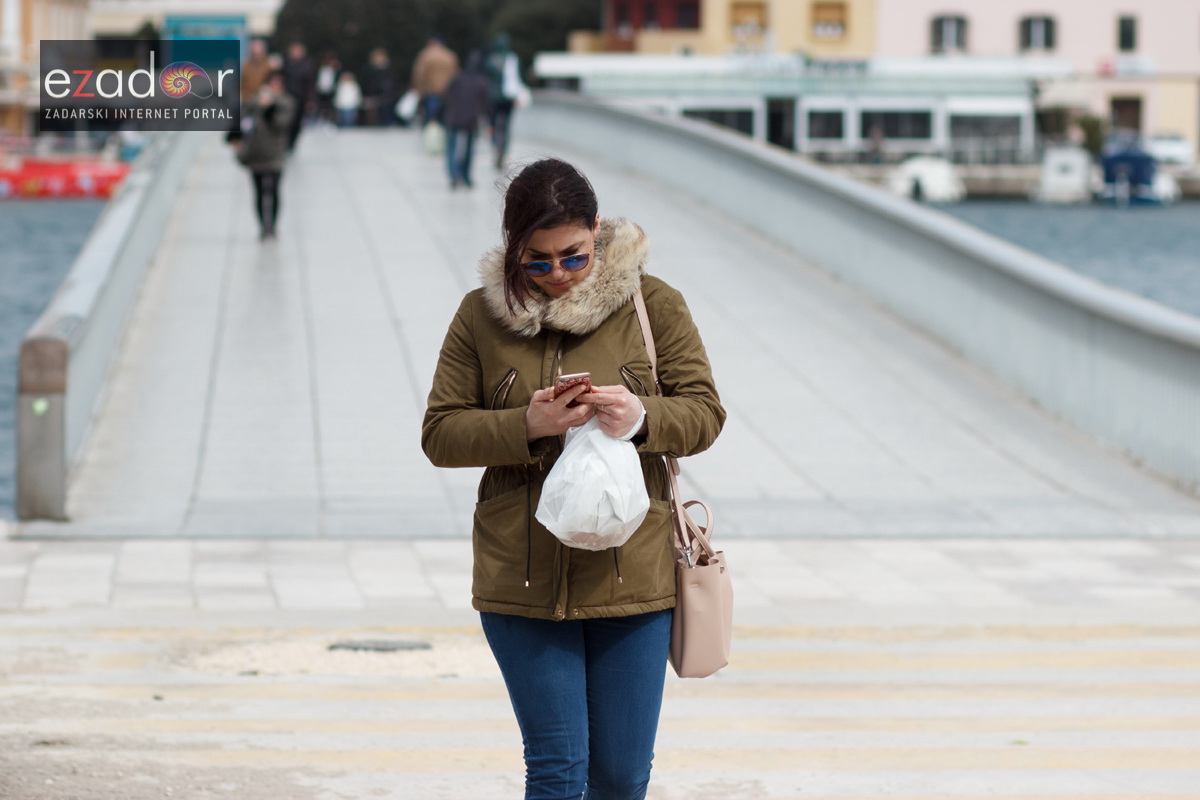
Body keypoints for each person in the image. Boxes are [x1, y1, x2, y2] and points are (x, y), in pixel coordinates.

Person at [422, 158, 725, 799]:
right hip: (522, 580)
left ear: (596, 232)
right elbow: (441, 433)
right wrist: (524, 425)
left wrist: (642, 417)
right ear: (512, 250)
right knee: (558, 771)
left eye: (574, 257)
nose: (557, 275)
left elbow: (705, 413)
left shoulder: (655, 305)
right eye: (537, 262)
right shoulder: (480, 315)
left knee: (619, 777)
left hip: (633, 577)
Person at [234, 72, 294, 240]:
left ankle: (273, 226)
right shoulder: (253, 103)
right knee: (259, 192)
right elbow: (242, 120)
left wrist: (269, 107)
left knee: (274, 191)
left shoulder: (285, 103)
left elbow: (281, 124)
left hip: (275, 153)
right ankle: (262, 226)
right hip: (256, 153)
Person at [441, 50, 490, 189]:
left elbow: (446, 97)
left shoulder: (456, 78)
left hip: (453, 117)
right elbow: (486, 105)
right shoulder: (481, 81)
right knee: (469, 149)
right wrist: (488, 122)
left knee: (451, 147)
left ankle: (454, 174)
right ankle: (466, 176)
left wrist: (437, 115)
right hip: (471, 119)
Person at [483, 33, 522, 169]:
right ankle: (503, 150)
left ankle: (496, 147)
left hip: (493, 98)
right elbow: (517, 79)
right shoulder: (512, 59)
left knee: (493, 125)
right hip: (508, 97)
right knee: (505, 126)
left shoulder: (490, 60)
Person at [411, 36, 459, 126]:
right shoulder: (450, 55)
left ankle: (430, 136)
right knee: (444, 118)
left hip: (431, 90)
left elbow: (419, 74)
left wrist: (418, 90)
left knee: (431, 117)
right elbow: (455, 74)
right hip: (447, 91)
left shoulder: (425, 55)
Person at [281, 42, 315, 151]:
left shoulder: (307, 65)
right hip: (286, 98)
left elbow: (310, 84)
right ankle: (285, 143)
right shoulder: (285, 64)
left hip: (301, 99)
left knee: (297, 123)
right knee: (285, 122)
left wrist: (310, 100)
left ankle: (291, 144)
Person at [362, 47, 396, 127]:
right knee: (374, 116)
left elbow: (393, 82)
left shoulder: (389, 68)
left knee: (386, 112)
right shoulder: (369, 69)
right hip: (373, 96)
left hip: (387, 96)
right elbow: (366, 83)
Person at [314, 52, 340, 125]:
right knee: (320, 106)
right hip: (320, 90)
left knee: (330, 106)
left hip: (331, 91)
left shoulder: (334, 69)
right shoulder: (319, 68)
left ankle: (330, 121)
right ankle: (320, 120)